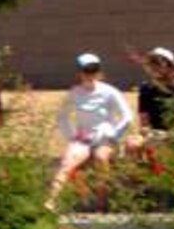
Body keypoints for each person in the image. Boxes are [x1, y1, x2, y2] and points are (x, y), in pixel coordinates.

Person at [47, 52, 133, 207]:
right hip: (83, 138)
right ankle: (51, 201)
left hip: (105, 138)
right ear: (79, 73)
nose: (90, 75)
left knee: (101, 158)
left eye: (94, 70)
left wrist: (114, 134)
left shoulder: (110, 92)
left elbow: (127, 116)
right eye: (86, 70)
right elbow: (62, 117)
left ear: (99, 72)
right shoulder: (74, 93)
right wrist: (72, 136)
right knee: (67, 162)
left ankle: (102, 204)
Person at [132, 47, 174, 143]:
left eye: (158, 63)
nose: (154, 67)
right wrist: (149, 132)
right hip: (153, 134)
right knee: (132, 143)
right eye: (152, 63)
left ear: (170, 67)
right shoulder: (146, 89)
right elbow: (144, 122)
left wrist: (165, 136)